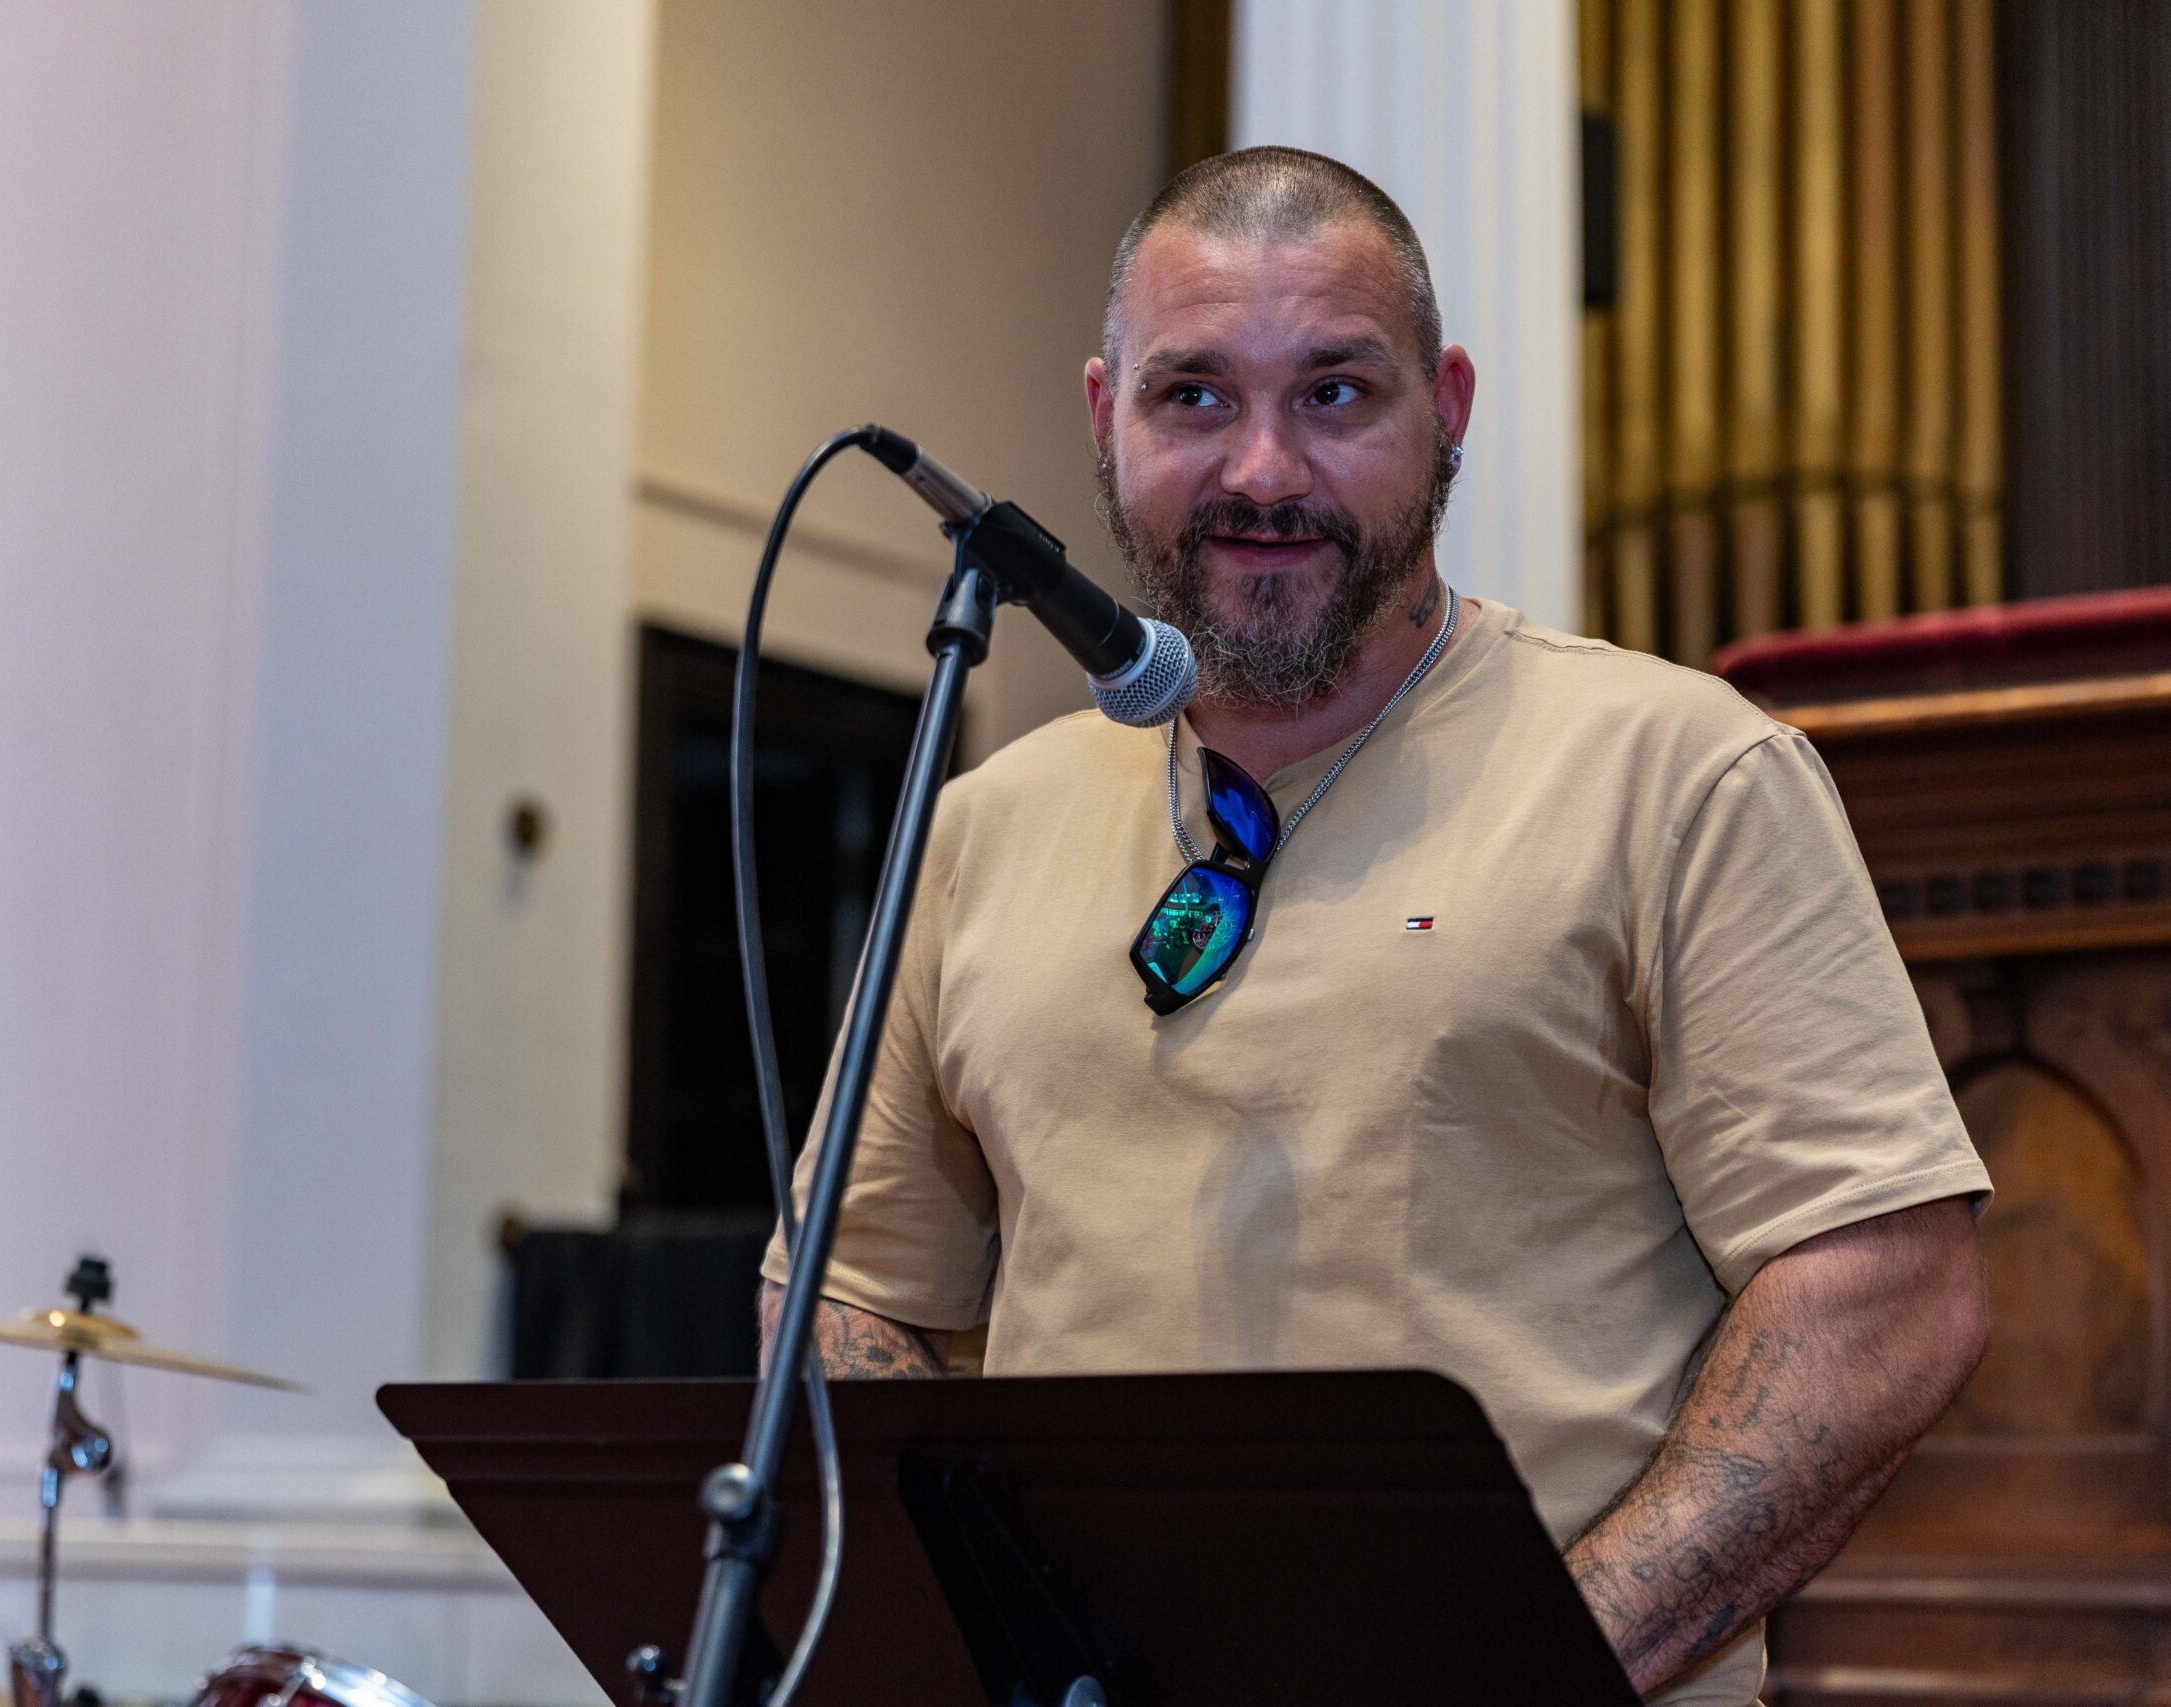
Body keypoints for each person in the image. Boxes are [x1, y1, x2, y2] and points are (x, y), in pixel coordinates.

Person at [758, 148, 1991, 1704]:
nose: (1263, 469)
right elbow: (854, 1291)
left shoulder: (1680, 771)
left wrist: (1535, 1663)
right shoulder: (981, 827)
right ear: (1105, 416)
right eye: (1194, 396)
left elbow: (1885, 1285)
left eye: (1335, 393)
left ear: (1448, 407)